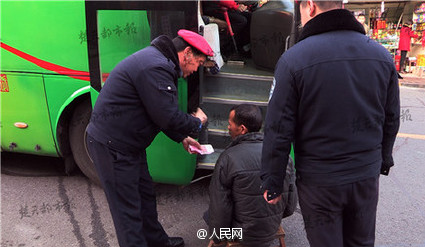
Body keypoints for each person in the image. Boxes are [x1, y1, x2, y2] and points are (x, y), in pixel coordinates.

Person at [260, 1, 400, 247]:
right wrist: (383, 159)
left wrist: (273, 181)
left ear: (310, 6)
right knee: (361, 242)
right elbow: (391, 117)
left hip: (319, 181)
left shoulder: (293, 59)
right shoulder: (381, 56)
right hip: (365, 175)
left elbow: (278, 128)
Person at [86, 29, 214, 247]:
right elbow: (168, 117)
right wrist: (198, 122)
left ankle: (157, 242)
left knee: (145, 198)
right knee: (128, 213)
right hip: (113, 147)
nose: (195, 69)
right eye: (198, 63)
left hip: (129, 146)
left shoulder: (160, 62)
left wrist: (183, 137)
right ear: (188, 53)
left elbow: (156, 112)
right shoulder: (156, 67)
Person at [205, 104, 296, 247]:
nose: (228, 127)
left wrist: (217, 237)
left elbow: (220, 207)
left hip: (242, 234)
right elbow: (290, 206)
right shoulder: (283, 156)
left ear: (242, 129)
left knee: (208, 214)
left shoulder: (228, 158)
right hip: (271, 228)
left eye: (230, 124)